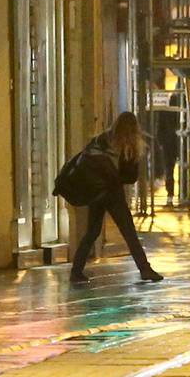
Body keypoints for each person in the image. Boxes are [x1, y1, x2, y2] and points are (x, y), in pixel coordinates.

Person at [68, 113, 164, 285]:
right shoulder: (129, 146)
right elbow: (130, 178)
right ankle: (145, 269)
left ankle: (76, 271)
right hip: (113, 193)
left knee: (92, 232)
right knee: (129, 232)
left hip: (95, 193)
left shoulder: (100, 140)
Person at [152, 108, 182, 201]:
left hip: (167, 145)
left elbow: (159, 128)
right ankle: (181, 194)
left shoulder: (163, 109)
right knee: (179, 170)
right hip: (178, 143)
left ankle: (170, 196)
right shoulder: (181, 103)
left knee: (169, 170)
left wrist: (161, 143)